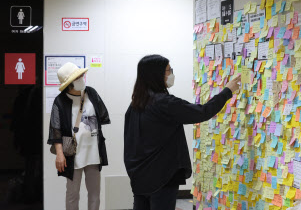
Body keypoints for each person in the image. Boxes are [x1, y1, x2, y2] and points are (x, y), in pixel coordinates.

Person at [124, 55, 241, 210]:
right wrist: (227, 91)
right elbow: (202, 112)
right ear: (156, 74)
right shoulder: (164, 103)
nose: (171, 74)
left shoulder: (135, 105)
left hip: (139, 177)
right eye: (168, 70)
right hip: (161, 178)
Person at [47, 62, 110, 210]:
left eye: (82, 75)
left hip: (94, 152)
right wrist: (59, 154)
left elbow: (103, 115)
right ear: (70, 83)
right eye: (79, 76)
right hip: (73, 154)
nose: (83, 77)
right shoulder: (60, 101)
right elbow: (56, 130)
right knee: (72, 194)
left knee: (95, 193)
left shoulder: (92, 93)